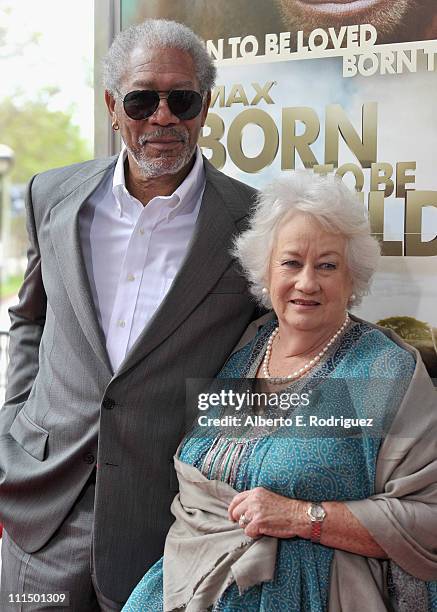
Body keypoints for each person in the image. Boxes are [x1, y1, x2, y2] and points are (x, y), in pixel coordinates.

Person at [0, 19, 259, 610]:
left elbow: (267, 359)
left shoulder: (251, 219)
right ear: (114, 106)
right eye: (143, 99)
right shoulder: (53, 196)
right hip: (42, 511)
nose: (162, 117)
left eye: (182, 99)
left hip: (167, 524)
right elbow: (30, 320)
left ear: (206, 106)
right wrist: (14, 421)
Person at [123, 171, 437, 611]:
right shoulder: (240, 350)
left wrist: (301, 518)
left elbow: (429, 518)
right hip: (186, 587)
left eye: (327, 265)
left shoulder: (380, 372)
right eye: (291, 263)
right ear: (265, 272)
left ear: (353, 280)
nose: (307, 283)